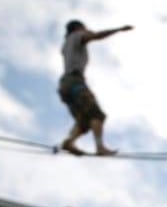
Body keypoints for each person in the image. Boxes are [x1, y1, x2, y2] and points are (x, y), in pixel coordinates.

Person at [57, 19, 134, 156]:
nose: (87, 29)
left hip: (64, 86)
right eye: (85, 27)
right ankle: (100, 147)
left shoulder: (65, 44)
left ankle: (69, 142)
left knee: (84, 122)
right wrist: (118, 29)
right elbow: (96, 36)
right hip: (75, 82)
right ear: (78, 28)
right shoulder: (77, 36)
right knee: (97, 114)